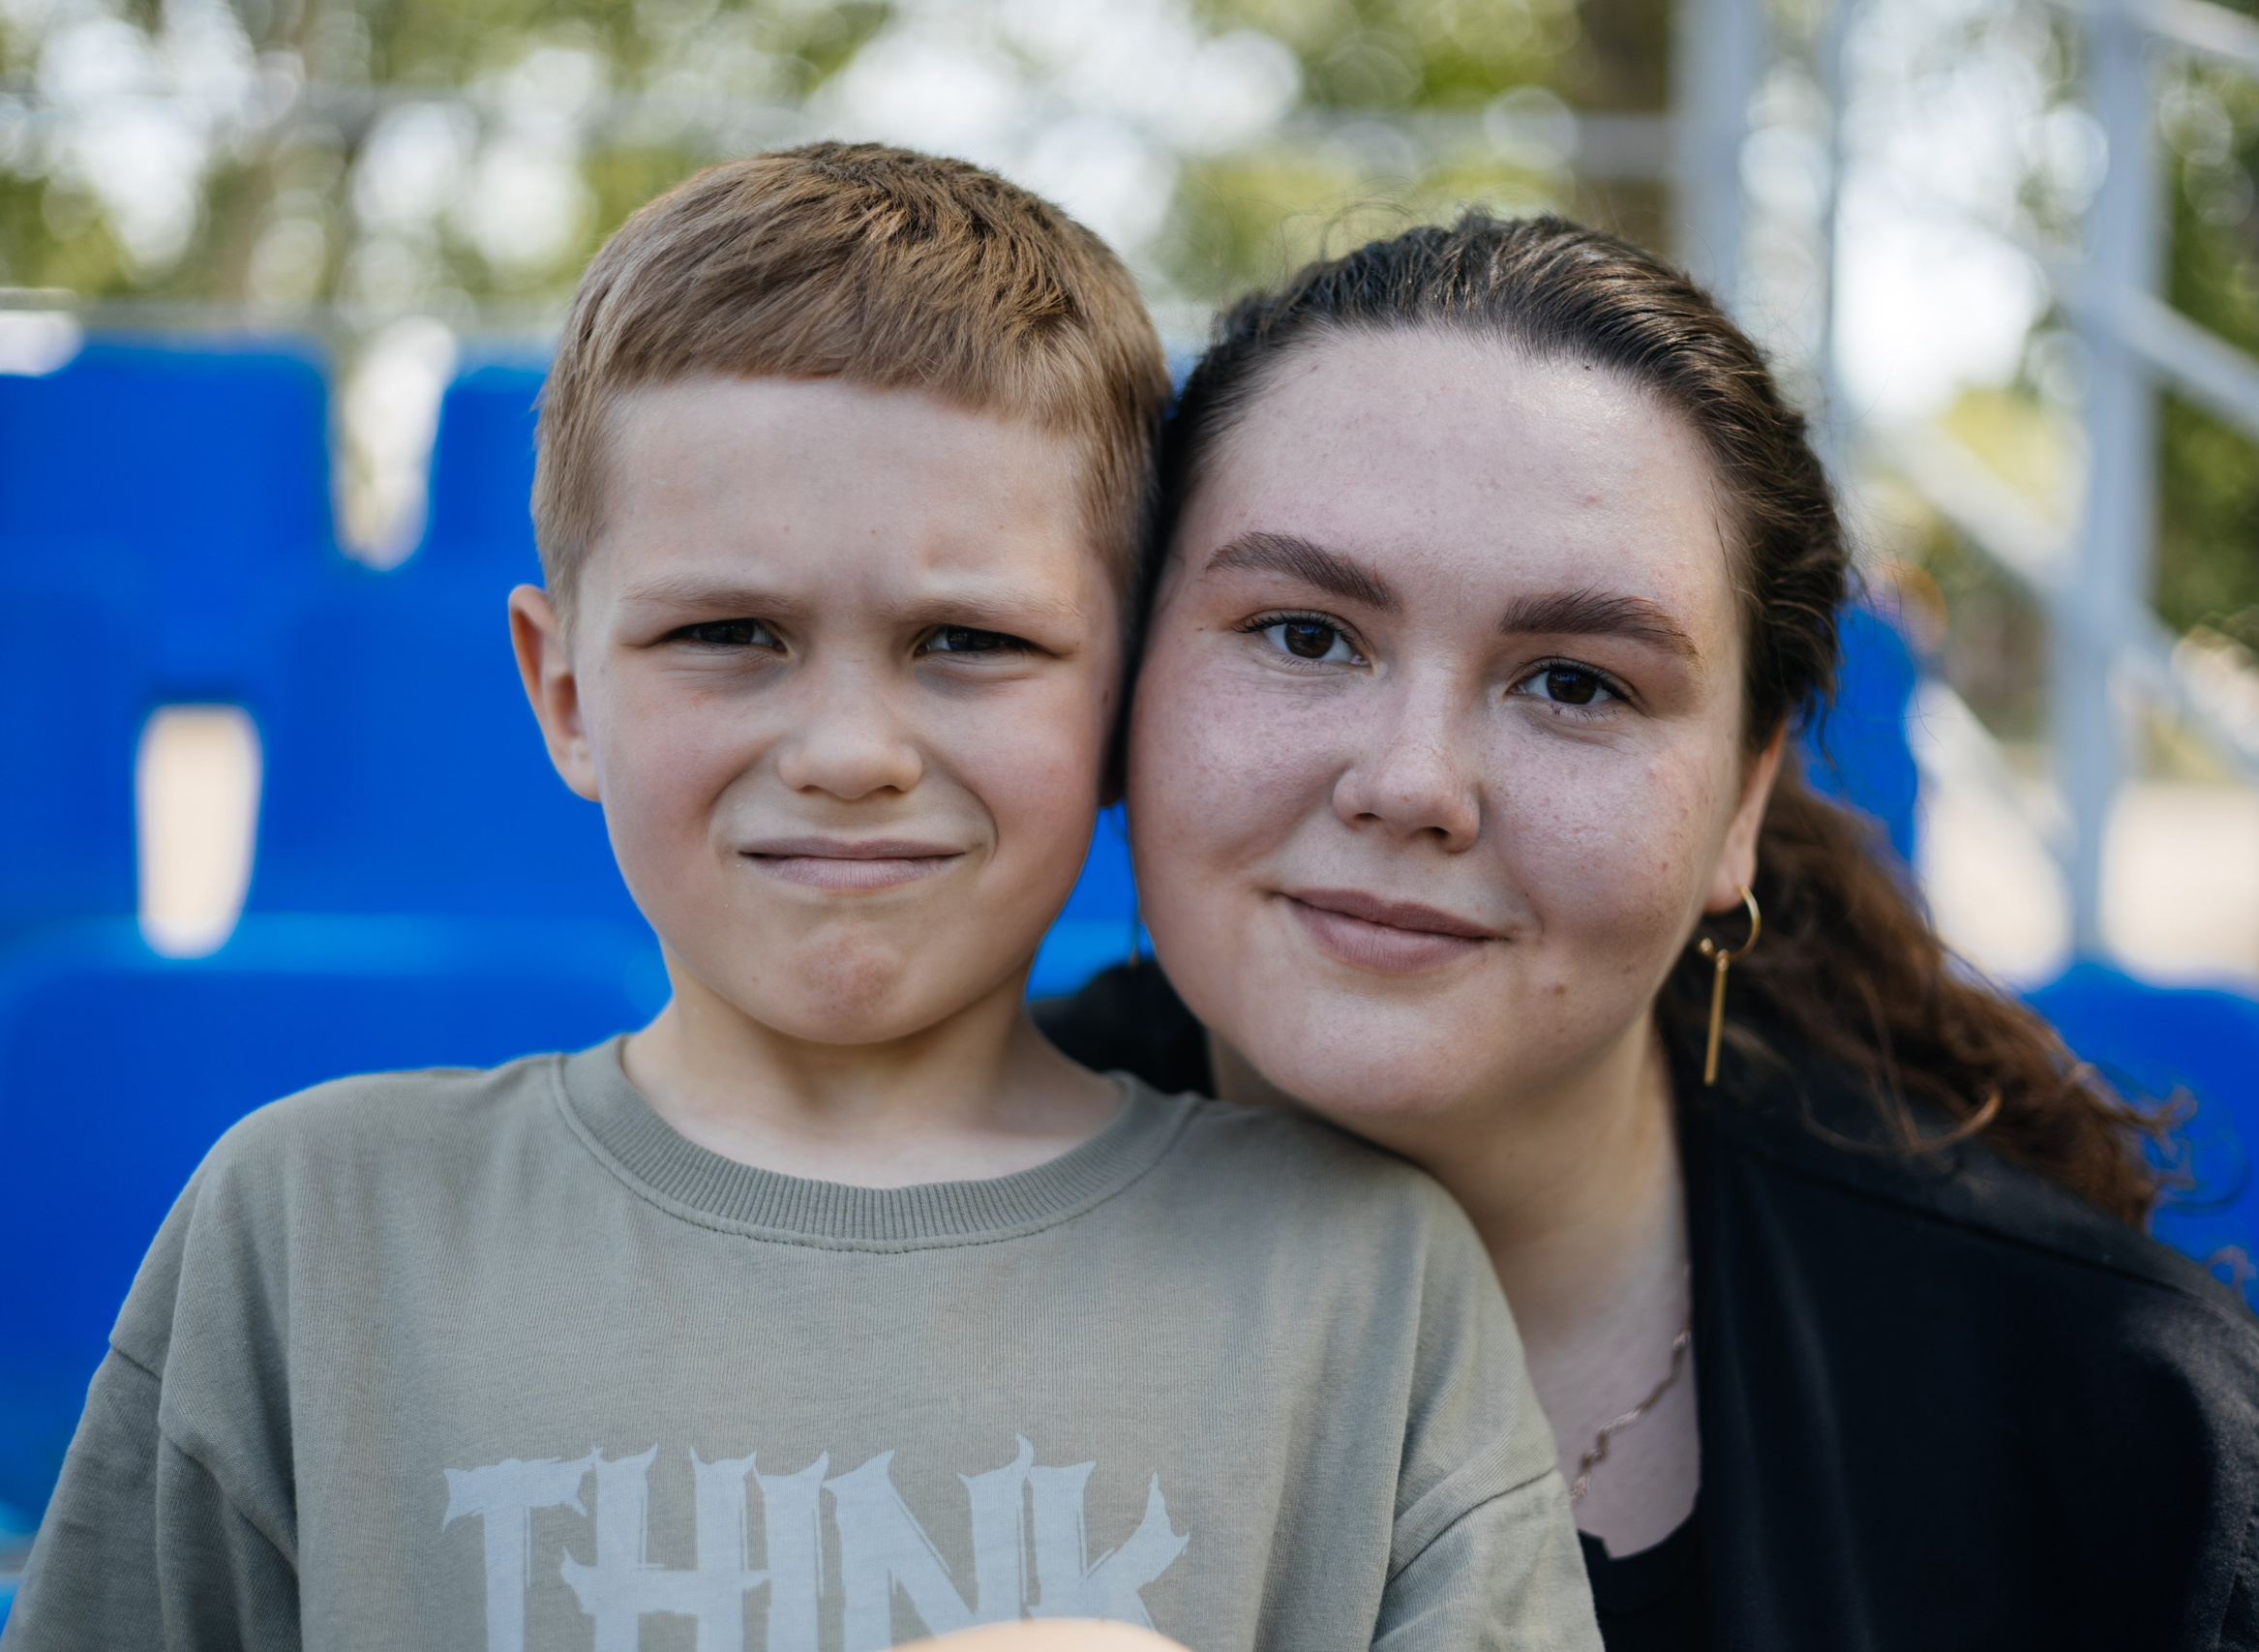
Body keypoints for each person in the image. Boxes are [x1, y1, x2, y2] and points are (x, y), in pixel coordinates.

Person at [0, 155, 1598, 1652]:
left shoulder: (1364, 1282)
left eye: (970, 643)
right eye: (729, 634)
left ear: (1127, 701)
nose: (847, 754)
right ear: (565, 693)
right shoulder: (313, 1228)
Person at [1040, 211, 2259, 1650]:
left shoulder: (2132, 1442)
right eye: (1304, 633)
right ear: (1131, 680)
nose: (1411, 783)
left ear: (1743, 802)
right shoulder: (873, 1226)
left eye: (1576, 683)